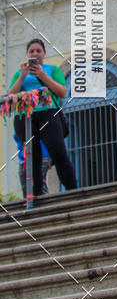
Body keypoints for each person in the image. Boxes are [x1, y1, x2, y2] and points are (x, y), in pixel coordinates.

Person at [7, 38, 78, 197]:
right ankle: (37, 195)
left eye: (38, 51)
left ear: (44, 53)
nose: (35, 54)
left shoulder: (52, 69)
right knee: (33, 156)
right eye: (32, 51)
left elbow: (61, 92)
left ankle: (73, 191)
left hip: (48, 113)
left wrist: (42, 75)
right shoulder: (20, 73)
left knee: (58, 151)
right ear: (27, 54)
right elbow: (11, 97)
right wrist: (22, 76)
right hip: (25, 116)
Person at [14, 132, 52, 196]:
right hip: (24, 158)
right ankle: (30, 204)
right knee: (25, 187)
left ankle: (44, 203)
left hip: (41, 155)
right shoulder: (20, 124)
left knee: (40, 184)